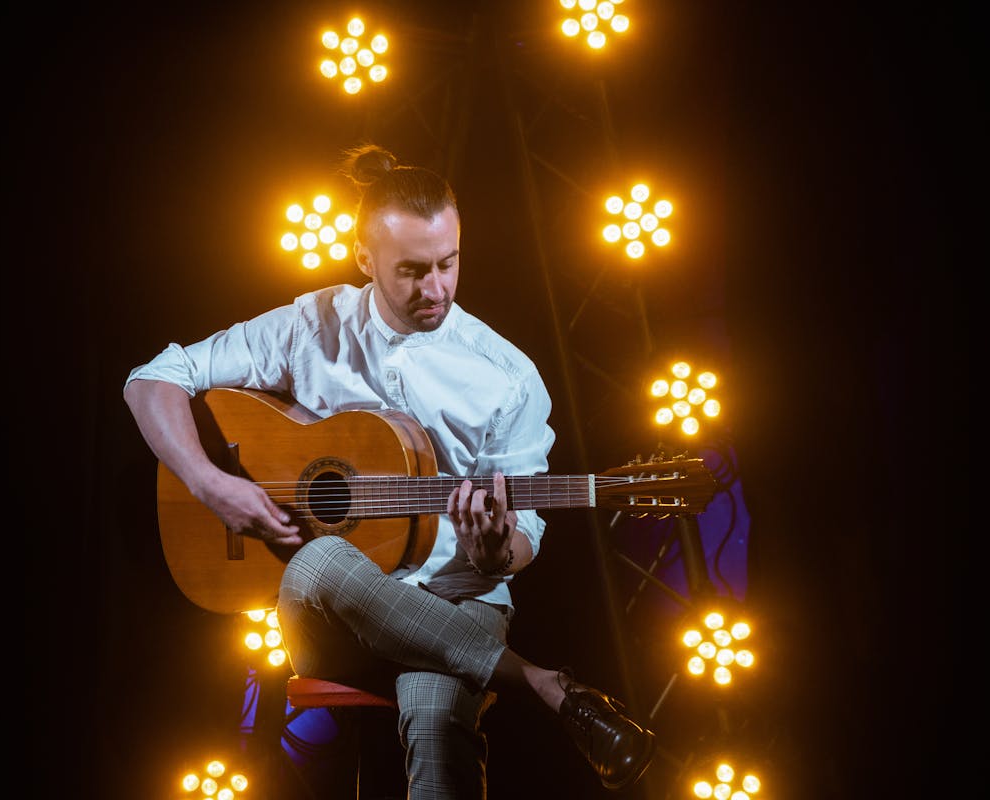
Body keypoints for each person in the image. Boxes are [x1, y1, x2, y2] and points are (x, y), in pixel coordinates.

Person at [123, 143, 656, 797]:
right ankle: (545, 683)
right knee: (317, 562)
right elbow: (153, 379)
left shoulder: (507, 375)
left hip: (457, 604)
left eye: (448, 264)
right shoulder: (311, 326)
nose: (435, 289)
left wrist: (495, 553)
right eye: (411, 271)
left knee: (437, 733)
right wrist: (211, 482)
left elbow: (523, 539)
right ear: (363, 258)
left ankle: (528, 682)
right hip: (330, 622)